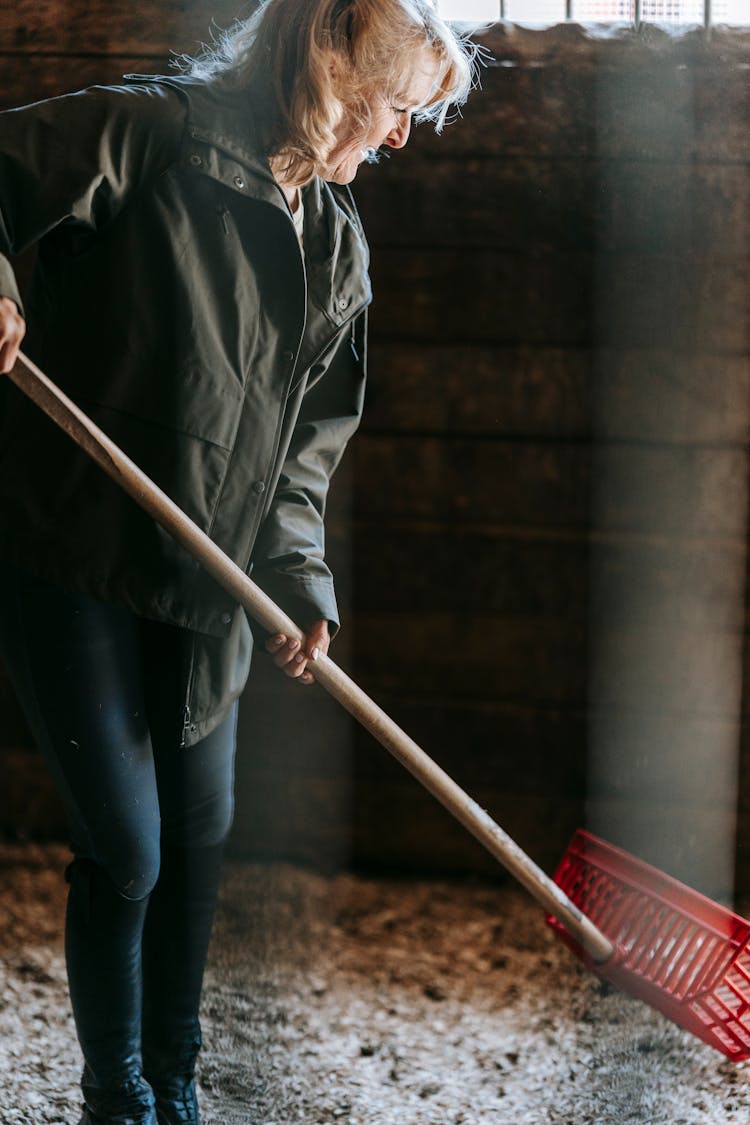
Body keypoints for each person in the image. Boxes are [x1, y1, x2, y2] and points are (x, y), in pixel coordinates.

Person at [0, 1, 477, 1122]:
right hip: (76, 549)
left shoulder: (338, 249)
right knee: (128, 848)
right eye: (396, 105)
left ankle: (178, 1081)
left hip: (212, 584)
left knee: (201, 839)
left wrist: (300, 582)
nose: (402, 137)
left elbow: (301, 463)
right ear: (326, 50)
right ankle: (116, 1091)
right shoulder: (154, 136)